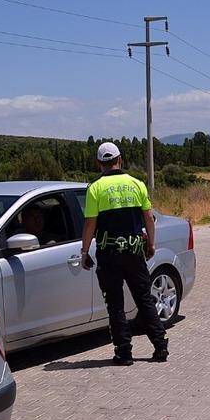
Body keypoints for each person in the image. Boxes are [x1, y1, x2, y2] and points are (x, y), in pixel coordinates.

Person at [80, 142, 168, 366]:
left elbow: (91, 223)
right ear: (120, 160)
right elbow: (148, 218)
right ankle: (160, 347)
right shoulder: (137, 184)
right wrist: (151, 245)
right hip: (134, 250)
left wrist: (84, 251)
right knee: (144, 298)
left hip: (109, 254)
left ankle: (124, 353)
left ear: (99, 163)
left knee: (115, 305)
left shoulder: (95, 188)